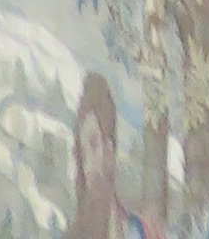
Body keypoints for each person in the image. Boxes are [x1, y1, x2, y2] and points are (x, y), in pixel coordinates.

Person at [65, 72, 157, 239]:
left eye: (94, 144)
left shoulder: (140, 231)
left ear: (110, 149)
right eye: (84, 154)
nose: (89, 166)